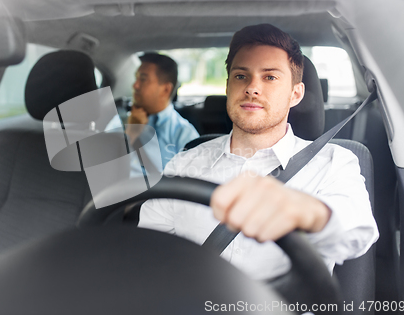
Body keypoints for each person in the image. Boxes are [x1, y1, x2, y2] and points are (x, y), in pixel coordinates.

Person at [138, 24, 379, 280]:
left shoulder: (333, 162)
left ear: (295, 94)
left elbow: (358, 232)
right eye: (241, 76)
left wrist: (306, 211)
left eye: (270, 77)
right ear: (228, 87)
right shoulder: (183, 165)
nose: (252, 87)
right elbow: (150, 253)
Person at [106, 52, 199, 174]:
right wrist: (131, 134)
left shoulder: (184, 134)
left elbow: (192, 183)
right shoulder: (120, 121)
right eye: (136, 78)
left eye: (143, 79)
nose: (135, 85)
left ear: (166, 89)